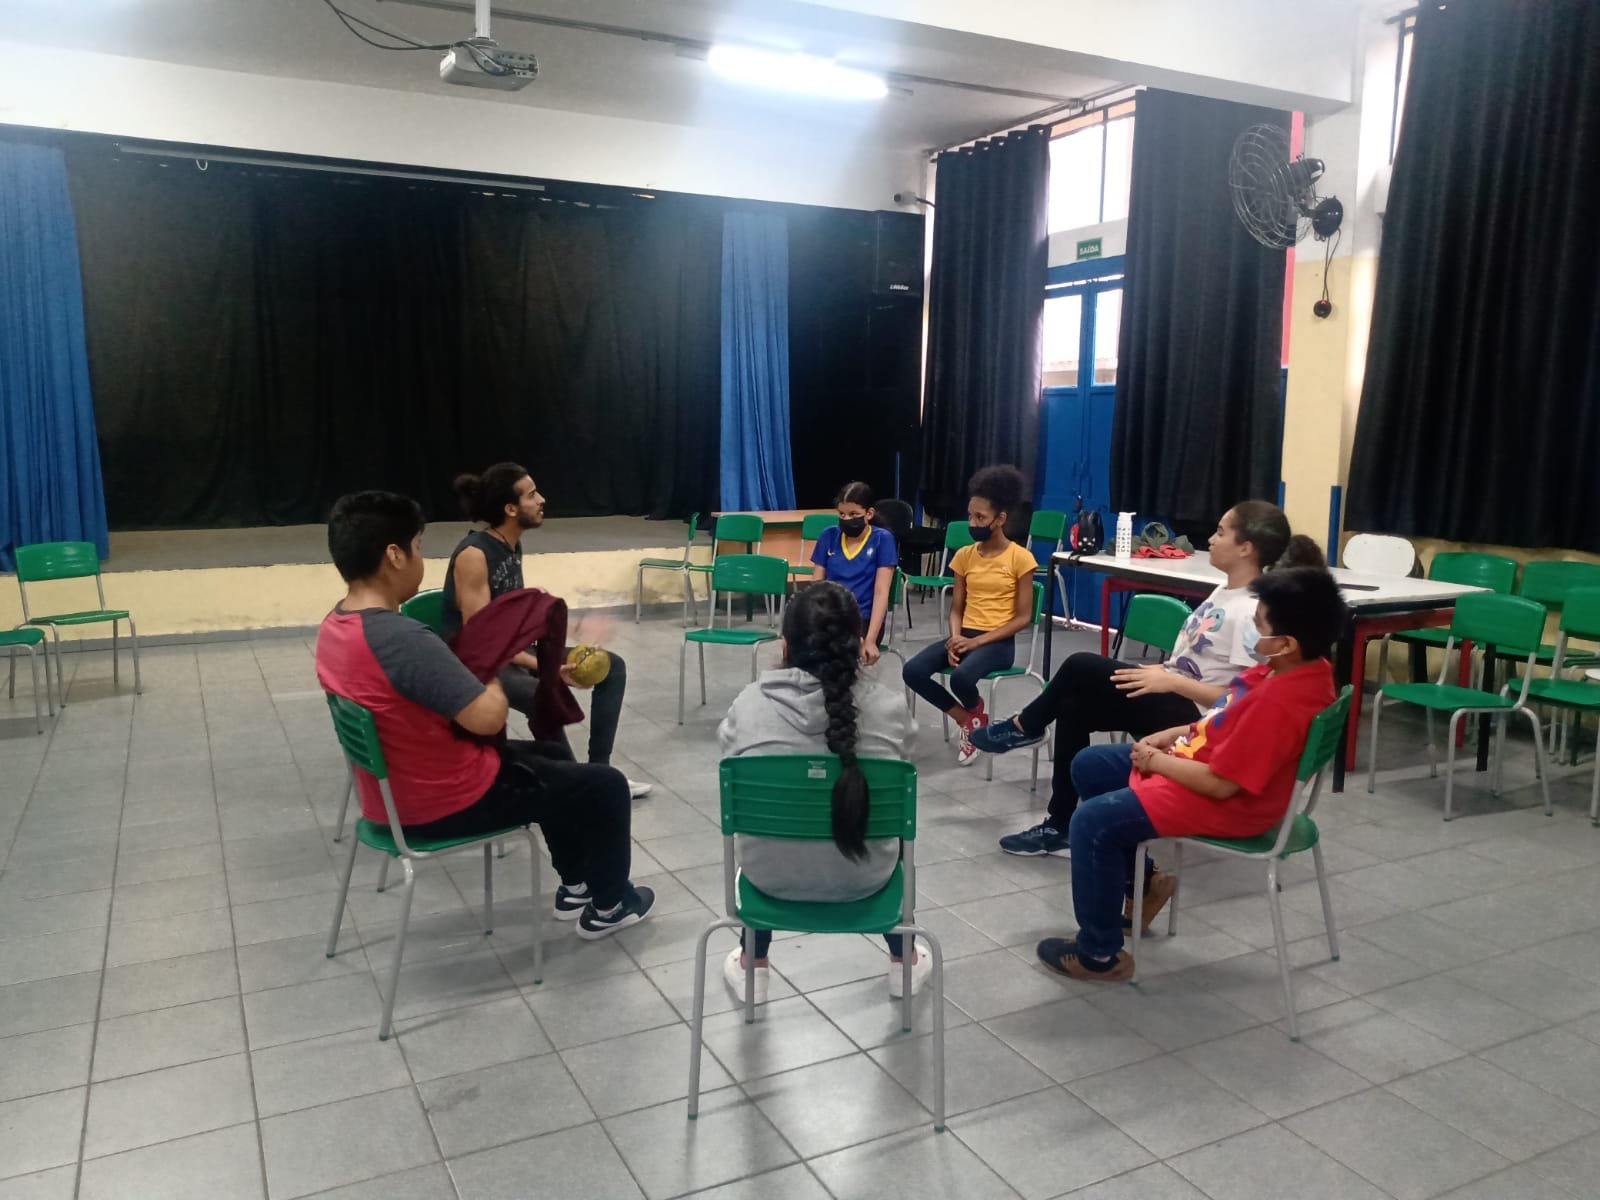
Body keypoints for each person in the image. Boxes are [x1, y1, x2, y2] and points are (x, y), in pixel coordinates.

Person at [314, 491, 655, 938]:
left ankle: (575, 886)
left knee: (551, 751)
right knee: (605, 785)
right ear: (394, 555)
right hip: (442, 802)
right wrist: (489, 662)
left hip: (392, 796)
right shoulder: (401, 638)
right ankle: (611, 905)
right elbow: (488, 719)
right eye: (417, 546)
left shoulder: (335, 627)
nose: (421, 558)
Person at [1035, 564, 1343, 982]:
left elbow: (1221, 784)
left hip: (1230, 802)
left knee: (1091, 821)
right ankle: (1143, 887)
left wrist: (1159, 763)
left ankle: (1099, 955)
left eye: (1258, 626)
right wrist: (1174, 733)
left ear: (1286, 642)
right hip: (1201, 761)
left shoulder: (1280, 703)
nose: (1252, 632)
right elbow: (1225, 711)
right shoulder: (1298, 666)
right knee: (1089, 766)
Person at [981, 501, 1324, 856]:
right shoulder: (1227, 590)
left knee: (1081, 664)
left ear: (1246, 548)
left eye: (1221, 532)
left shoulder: (1253, 612)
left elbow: (1236, 700)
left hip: (1196, 718)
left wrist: (1174, 682)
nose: (1210, 538)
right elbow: (1194, 660)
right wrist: (1165, 672)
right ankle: (1060, 823)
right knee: (1073, 705)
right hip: (1169, 693)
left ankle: (1025, 727)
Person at [718, 581, 927, 1003]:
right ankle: (904, 964)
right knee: (889, 835)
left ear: (784, 645)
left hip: (768, 880)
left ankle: (753, 966)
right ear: (859, 641)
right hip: (867, 878)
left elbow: (728, 756)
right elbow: (907, 759)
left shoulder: (749, 704)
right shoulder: (889, 706)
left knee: (774, 830)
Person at [441, 463, 652, 798]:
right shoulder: (475, 555)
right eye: (531, 495)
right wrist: (548, 667)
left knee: (615, 667)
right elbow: (481, 642)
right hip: (477, 665)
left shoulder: (512, 545)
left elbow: (513, 622)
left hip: (508, 653)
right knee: (541, 697)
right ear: (510, 509)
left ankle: (600, 771)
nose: (542, 499)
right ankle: (575, 785)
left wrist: (561, 641)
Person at [901, 465, 1037, 766]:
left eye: (980, 518)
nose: (972, 522)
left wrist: (976, 644)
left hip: (998, 643)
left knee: (962, 678)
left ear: (1000, 519)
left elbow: (1022, 617)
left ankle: (973, 716)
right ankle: (969, 719)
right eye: (970, 515)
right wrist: (955, 638)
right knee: (912, 671)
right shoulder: (964, 556)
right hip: (965, 636)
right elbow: (957, 608)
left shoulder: (1020, 558)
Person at [809, 481, 897, 665]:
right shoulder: (828, 536)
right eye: (842, 514)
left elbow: (881, 593)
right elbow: (815, 587)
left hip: (863, 619)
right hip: (830, 616)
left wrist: (871, 640)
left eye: (854, 514)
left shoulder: (882, 539)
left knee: (836, 653)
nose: (847, 519)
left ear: (869, 514)